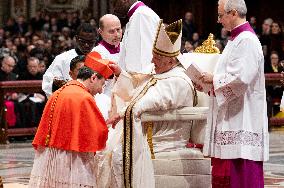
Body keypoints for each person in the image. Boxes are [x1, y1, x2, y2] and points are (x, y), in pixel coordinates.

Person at [96, 19, 196, 188]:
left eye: (157, 57)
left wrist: (122, 113)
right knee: (103, 149)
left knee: (119, 156)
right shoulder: (158, 69)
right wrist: (120, 74)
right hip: (147, 128)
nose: (152, 60)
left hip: (162, 137)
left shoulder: (178, 80)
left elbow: (150, 101)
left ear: (171, 61)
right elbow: (137, 85)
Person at [198, 0, 269, 187]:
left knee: (242, 176)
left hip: (243, 119)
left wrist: (212, 80)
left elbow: (241, 78)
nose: (219, 20)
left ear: (234, 13)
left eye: (221, 15)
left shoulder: (247, 40)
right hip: (233, 116)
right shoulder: (235, 39)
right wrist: (208, 86)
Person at [28, 51, 114, 188]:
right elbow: (93, 133)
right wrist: (109, 125)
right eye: (102, 84)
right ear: (93, 78)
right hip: (72, 159)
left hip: (53, 156)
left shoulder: (61, 91)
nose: (101, 91)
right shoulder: (83, 97)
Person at [42, 23, 97, 98]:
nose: (86, 45)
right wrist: (57, 84)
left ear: (96, 40)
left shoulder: (101, 58)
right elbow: (47, 83)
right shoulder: (62, 59)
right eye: (83, 41)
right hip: (69, 101)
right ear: (76, 39)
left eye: (90, 42)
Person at [111, 0, 160, 73]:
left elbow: (142, 60)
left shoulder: (141, 15)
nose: (114, 8)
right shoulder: (138, 15)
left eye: (114, 3)